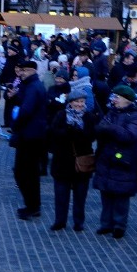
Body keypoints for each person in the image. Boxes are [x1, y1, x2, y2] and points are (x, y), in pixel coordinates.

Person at [93, 85, 137, 239]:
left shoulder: (135, 116)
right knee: (106, 193)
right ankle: (106, 224)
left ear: (126, 100)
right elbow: (100, 128)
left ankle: (119, 225)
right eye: (113, 97)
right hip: (106, 158)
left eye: (117, 97)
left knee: (121, 196)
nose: (113, 100)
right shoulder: (111, 112)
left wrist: (111, 128)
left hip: (124, 161)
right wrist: (109, 129)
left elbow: (129, 136)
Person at [48, 89, 98, 232]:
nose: (79, 104)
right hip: (62, 162)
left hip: (81, 162)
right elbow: (54, 133)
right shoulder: (61, 115)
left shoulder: (89, 117)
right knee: (61, 195)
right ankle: (60, 221)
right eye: (76, 101)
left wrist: (79, 133)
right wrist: (69, 131)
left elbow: (92, 136)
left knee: (80, 196)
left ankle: (78, 222)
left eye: (82, 101)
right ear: (70, 102)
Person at [9, 61, 48, 220]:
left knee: (23, 172)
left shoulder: (33, 87)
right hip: (32, 134)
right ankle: (33, 205)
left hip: (30, 136)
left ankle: (32, 206)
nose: (21, 73)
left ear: (32, 70)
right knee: (28, 172)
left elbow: (26, 110)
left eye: (24, 70)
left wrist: (15, 125)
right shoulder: (32, 85)